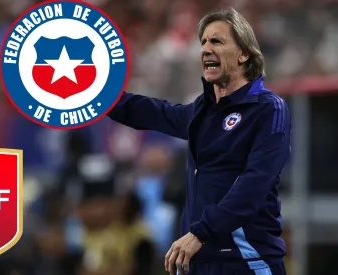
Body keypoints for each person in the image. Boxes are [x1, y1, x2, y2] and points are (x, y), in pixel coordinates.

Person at [107, 7, 291, 275]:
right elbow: (152, 112)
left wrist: (201, 232)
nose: (205, 48)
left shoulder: (267, 108)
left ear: (243, 54)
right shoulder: (202, 111)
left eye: (217, 41)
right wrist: (97, 95)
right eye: (203, 42)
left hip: (246, 261)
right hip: (197, 261)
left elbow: (255, 184)